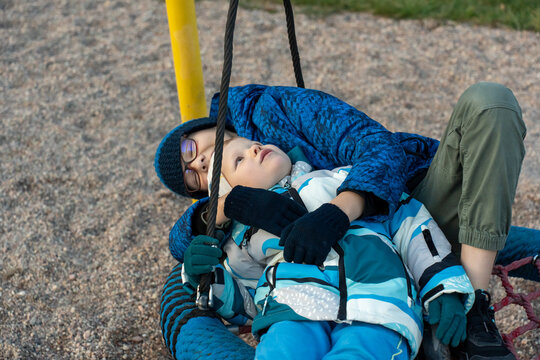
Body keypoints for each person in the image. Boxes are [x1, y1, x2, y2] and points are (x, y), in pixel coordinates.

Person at [155, 82, 525, 359]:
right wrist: (212, 264)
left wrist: (339, 208)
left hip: (387, 253)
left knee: (490, 102)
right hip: (299, 309)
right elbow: (242, 283)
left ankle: (470, 309)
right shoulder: (242, 221)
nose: (198, 162)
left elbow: (383, 156)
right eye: (194, 176)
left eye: (189, 149)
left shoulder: (273, 114)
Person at [182, 136, 475, 359]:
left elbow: (413, 227)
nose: (254, 149)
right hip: (292, 309)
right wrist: (205, 275)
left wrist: (443, 289)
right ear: (233, 191)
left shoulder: (343, 179)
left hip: (380, 305)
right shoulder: (243, 234)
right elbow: (244, 300)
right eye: (239, 160)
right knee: (283, 351)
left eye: (254, 143)